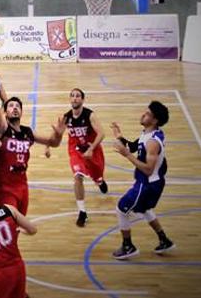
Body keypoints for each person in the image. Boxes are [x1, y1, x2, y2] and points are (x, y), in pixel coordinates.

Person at [0, 63, 66, 215]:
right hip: (4, 185)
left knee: (17, 229)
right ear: (5, 113)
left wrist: (58, 134)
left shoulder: (28, 132)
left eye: (17, 106)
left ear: (21, 112)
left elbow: (53, 143)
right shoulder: (2, 128)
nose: (14, 108)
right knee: (11, 221)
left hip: (22, 184)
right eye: (10, 106)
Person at [110, 101, 175, 260]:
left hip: (147, 184)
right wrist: (120, 137)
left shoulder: (152, 142)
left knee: (121, 209)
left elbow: (147, 169)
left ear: (155, 120)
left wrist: (126, 155)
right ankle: (164, 240)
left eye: (147, 114)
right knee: (144, 209)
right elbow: (135, 147)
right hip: (152, 183)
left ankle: (128, 246)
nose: (142, 114)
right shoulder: (148, 133)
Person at [63, 88, 108, 227]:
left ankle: (99, 181)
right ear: (70, 99)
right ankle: (82, 212)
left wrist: (91, 148)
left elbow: (101, 133)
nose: (75, 98)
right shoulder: (66, 117)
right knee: (78, 176)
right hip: (76, 151)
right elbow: (57, 134)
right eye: (72, 96)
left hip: (92, 149)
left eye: (78, 96)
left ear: (82, 100)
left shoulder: (90, 115)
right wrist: (47, 147)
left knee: (97, 174)